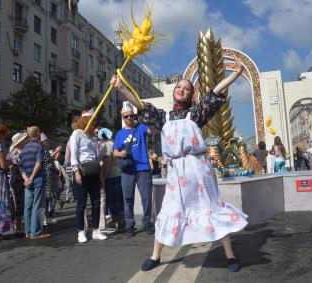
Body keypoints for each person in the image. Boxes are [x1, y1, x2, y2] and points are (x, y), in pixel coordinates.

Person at [110, 57, 248, 272]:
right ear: (174, 91)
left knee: (211, 208)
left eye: (186, 88)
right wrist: (120, 87)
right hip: (177, 173)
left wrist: (235, 75)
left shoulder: (196, 114)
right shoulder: (163, 118)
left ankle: (230, 255)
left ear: (191, 95)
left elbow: (214, 94)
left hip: (199, 170)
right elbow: (139, 104)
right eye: (179, 87)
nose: (182, 89)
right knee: (169, 210)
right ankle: (156, 256)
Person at [113, 102, 155, 237]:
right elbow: (114, 152)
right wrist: (121, 154)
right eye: (126, 116)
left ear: (134, 116)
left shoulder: (141, 128)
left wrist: (148, 116)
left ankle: (147, 222)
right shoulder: (119, 134)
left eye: (131, 115)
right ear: (122, 118)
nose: (129, 118)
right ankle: (130, 225)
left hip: (142, 167)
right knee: (128, 199)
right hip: (127, 170)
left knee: (146, 198)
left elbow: (153, 130)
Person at [69, 110, 108, 243]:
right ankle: (80, 231)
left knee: (96, 203)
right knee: (81, 204)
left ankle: (96, 230)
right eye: (93, 121)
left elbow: (98, 157)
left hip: (94, 172)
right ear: (86, 120)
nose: (94, 124)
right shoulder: (77, 134)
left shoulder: (93, 137)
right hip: (82, 171)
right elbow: (74, 154)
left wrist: (101, 174)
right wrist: (76, 172)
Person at [21, 126, 50, 240]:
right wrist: (32, 177)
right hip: (37, 180)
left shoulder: (24, 147)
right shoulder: (39, 146)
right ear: (37, 133)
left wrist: (26, 179)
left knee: (28, 207)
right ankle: (36, 232)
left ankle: (28, 232)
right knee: (37, 206)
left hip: (27, 181)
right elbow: (38, 163)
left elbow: (21, 166)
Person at [98, 127, 125, 232]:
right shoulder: (114, 143)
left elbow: (106, 162)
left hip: (111, 176)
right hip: (118, 174)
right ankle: (119, 221)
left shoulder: (106, 145)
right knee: (118, 199)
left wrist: (103, 177)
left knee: (112, 201)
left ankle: (116, 222)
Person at [7, 132, 29, 233]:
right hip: (16, 178)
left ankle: (18, 223)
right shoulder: (15, 152)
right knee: (17, 201)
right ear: (19, 141)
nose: (26, 140)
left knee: (20, 200)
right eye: (24, 139)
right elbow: (19, 167)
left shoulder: (21, 150)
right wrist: (26, 178)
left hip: (20, 177)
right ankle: (17, 224)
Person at [41, 133, 60, 225]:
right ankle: (45, 219)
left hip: (47, 176)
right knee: (46, 198)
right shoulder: (43, 151)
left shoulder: (42, 150)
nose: (47, 142)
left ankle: (46, 218)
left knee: (47, 198)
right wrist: (57, 171)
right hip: (48, 176)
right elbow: (49, 163)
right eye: (46, 140)